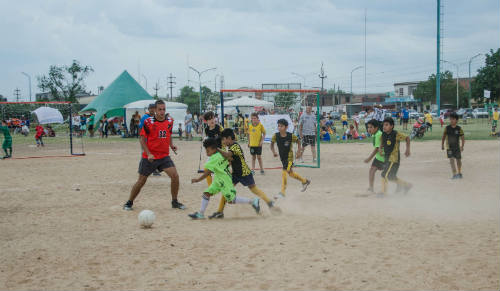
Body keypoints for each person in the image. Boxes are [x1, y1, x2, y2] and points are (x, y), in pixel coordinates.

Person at [123, 100, 185, 211]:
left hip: (164, 156)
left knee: (175, 176)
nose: (162, 112)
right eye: (160, 109)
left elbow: (169, 133)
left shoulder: (170, 121)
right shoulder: (148, 122)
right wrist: (148, 153)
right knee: (141, 181)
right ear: (155, 110)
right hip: (150, 157)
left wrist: (171, 145)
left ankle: (174, 202)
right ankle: (129, 202)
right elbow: (142, 139)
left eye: (164, 109)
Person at [207, 129, 278, 219]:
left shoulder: (235, 146)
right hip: (236, 173)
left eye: (224, 140)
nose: (223, 142)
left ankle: (269, 202)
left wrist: (217, 149)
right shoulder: (231, 147)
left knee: (254, 189)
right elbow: (230, 160)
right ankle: (220, 211)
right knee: (226, 190)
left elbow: (228, 155)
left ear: (228, 138)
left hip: (244, 173)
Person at [188, 137, 260, 219]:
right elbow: (230, 159)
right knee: (206, 193)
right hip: (218, 180)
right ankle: (200, 214)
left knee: (231, 200)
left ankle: (252, 201)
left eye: (208, 150)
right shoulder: (221, 154)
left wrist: (198, 180)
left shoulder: (213, 159)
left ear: (214, 149)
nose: (206, 153)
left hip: (225, 181)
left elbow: (207, 172)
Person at [271, 119, 311, 199]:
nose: (279, 127)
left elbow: (299, 142)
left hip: (289, 158)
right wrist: (274, 152)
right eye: (278, 126)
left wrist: (299, 152)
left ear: (286, 127)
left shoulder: (291, 136)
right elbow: (271, 144)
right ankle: (305, 181)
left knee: (284, 172)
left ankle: (282, 192)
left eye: (281, 126)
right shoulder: (276, 135)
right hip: (282, 158)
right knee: (290, 173)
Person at [379, 117, 412, 195]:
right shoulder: (383, 134)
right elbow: (382, 142)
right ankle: (407, 185)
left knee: (384, 174)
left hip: (393, 159)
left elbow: (407, 138)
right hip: (387, 158)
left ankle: (383, 192)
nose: (384, 126)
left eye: (386, 125)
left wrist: (407, 149)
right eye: (383, 125)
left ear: (392, 126)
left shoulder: (395, 134)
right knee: (391, 176)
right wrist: (380, 148)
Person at [441, 112, 465, 179]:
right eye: (450, 119)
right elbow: (443, 136)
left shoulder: (459, 128)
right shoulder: (447, 128)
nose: (451, 120)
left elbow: (463, 138)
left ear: (456, 120)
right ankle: (454, 174)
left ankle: (459, 173)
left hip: (457, 147)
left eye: (453, 119)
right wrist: (442, 144)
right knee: (451, 160)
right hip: (449, 147)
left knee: (458, 160)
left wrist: (462, 146)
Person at [140, 104, 161, 176]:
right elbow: (140, 127)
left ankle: (154, 169)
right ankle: (143, 168)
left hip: (153, 139)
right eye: (151, 108)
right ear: (148, 109)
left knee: (154, 153)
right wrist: (142, 138)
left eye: (153, 108)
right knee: (145, 154)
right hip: (145, 139)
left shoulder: (156, 117)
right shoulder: (145, 117)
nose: (152, 110)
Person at [364, 119, 385, 193]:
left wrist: (369, 158)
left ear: (376, 128)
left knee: (389, 175)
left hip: (383, 158)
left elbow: (376, 149)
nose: (369, 129)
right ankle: (371, 188)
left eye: (371, 127)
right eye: (368, 127)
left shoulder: (378, 134)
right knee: (372, 170)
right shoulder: (375, 134)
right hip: (379, 157)